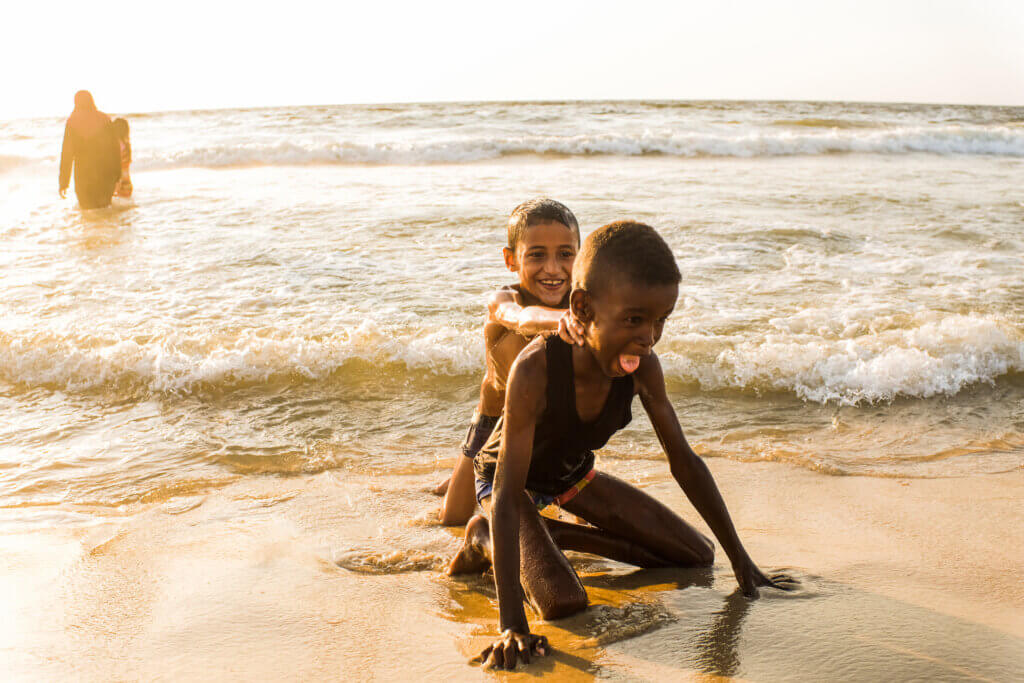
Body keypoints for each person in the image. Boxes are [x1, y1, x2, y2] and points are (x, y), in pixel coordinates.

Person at [447, 220, 795, 670]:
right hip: (506, 488)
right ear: (583, 307)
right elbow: (511, 493)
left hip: (572, 476)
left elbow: (684, 462)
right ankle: (485, 537)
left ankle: (552, 536)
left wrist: (743, 562)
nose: (648, 337)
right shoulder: (536, 369)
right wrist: (512, 624)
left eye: (660, 321)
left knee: (695, 556)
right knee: (564, 602)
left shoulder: (643, 366)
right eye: (634, 320)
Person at [436, 198, 583, 526]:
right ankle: (458, 475)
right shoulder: (504, 301)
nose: (553, 268)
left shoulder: (583, 302)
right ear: (510, 259)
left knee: (569, 524)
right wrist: (573, 320)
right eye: (536, 255)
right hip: (492, 424)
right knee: (452, 520)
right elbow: (522, 318)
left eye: (565, 254)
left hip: (550, 430)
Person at [59, 90, 120, 209]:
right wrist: (117, 175)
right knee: (105, 211)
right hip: (105, 175)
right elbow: (115, 150)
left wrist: (63, 183)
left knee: (88, 214)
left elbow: (67, 154)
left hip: (84, 176)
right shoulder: (104, 119)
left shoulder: (72, 122)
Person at [112, 118, 133, 198]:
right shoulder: (126, 143)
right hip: (127, 182)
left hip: (120, 183)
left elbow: (116, 165)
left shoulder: (117, 144)